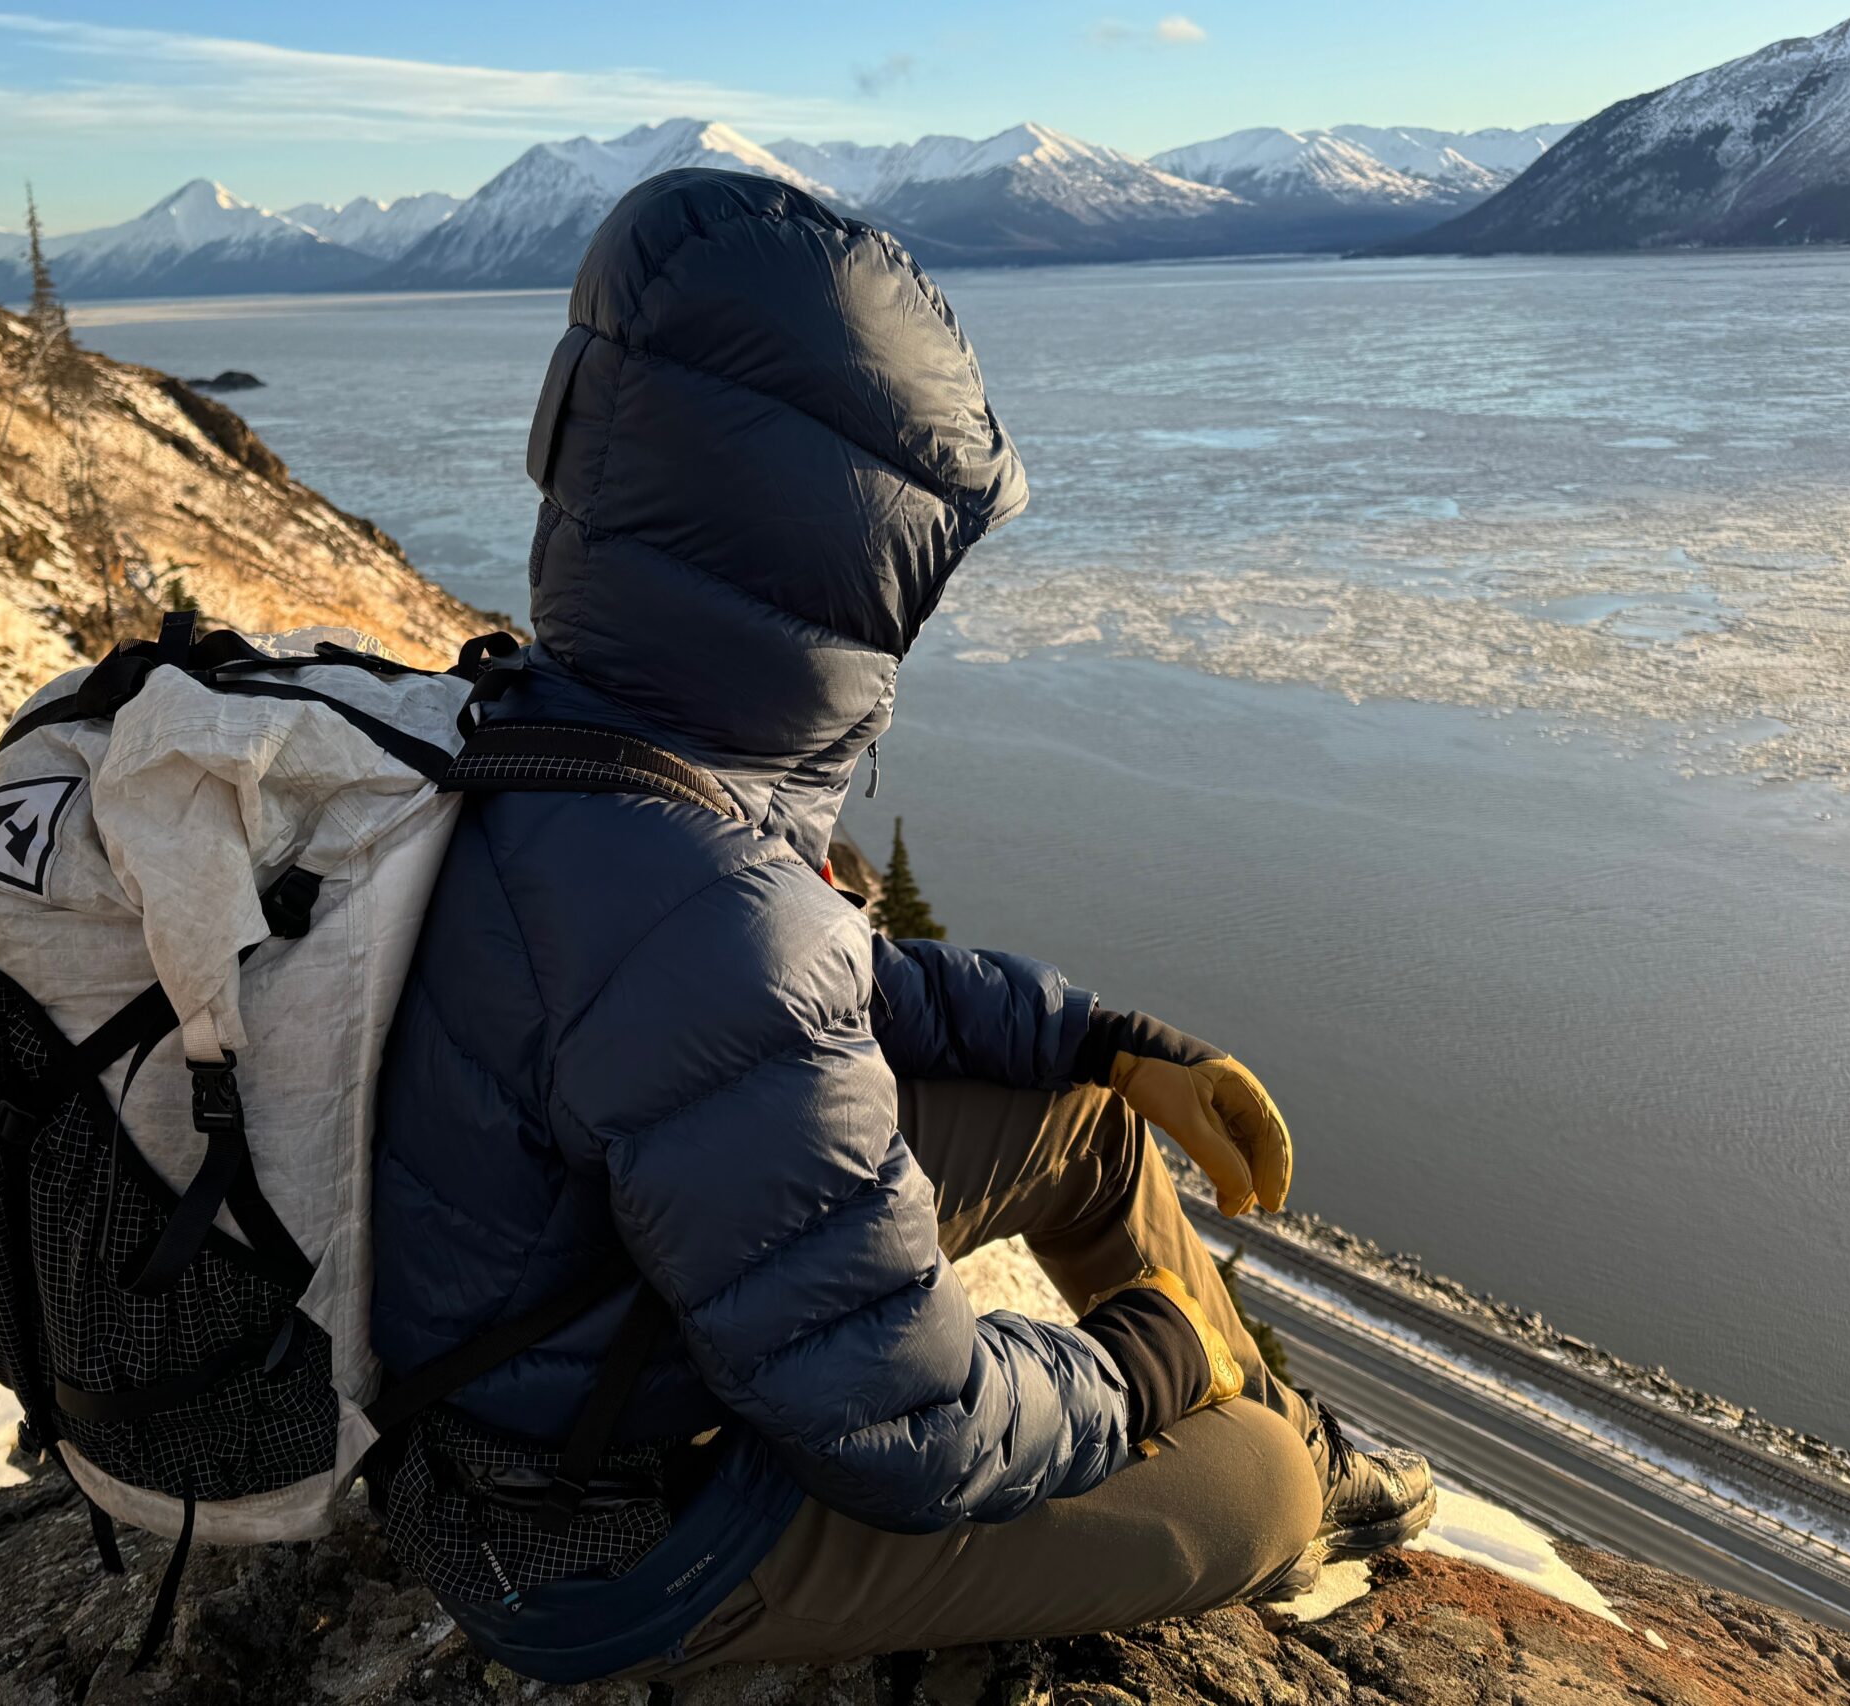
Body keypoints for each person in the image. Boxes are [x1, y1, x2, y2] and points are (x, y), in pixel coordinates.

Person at [368, 167, 1433, 1684]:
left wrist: (1095, 1040)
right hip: (616, 1539)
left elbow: (804, 994)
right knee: (1246, 1495)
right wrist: (1144, 1369)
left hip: (590, 1329)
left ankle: (1282, 1422)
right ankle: (1282, 1467)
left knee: (1087, 1126)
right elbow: (910, 1430)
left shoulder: (561, 750)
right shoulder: (703, 901)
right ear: (830, 547)